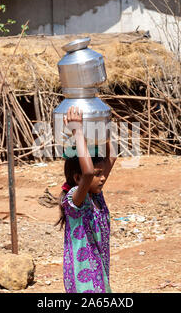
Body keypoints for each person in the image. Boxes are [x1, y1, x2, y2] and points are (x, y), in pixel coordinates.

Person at [55, 106, 117, 293]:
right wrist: (78, 131)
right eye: (98, 175)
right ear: (77, 178)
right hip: (84, 278)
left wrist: (103, 127)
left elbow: (112, 157)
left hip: (99, 271)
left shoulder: (95, 195)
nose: (103, 178)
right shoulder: (75, 200)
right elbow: (89, 171)